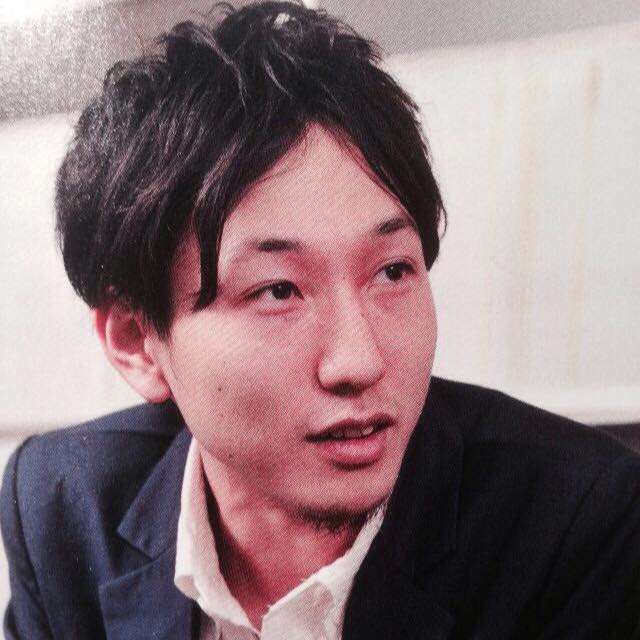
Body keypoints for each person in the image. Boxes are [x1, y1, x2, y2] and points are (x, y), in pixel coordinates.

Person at [2, 2, 640, 638]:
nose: (359, 362)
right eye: (278, 290)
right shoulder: (61, 505)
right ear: (137, 341)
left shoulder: (581, 525)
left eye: (391, 272)